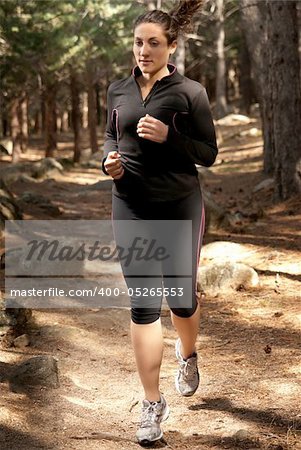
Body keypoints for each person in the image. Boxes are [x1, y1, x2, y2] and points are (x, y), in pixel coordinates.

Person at [101, 0, 218, 445]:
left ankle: (187, 353)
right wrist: (107, 161)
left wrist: (172, 137)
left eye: (153, 43)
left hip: (179, 205)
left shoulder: (191, 93)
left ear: (171, 46)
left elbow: (208, 152)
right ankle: (152, 405)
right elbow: (112, 134)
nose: (144, 51)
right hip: (130, 205)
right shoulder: (117, 90)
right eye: (138, 42)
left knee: (181, 299)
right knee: (144, 305)